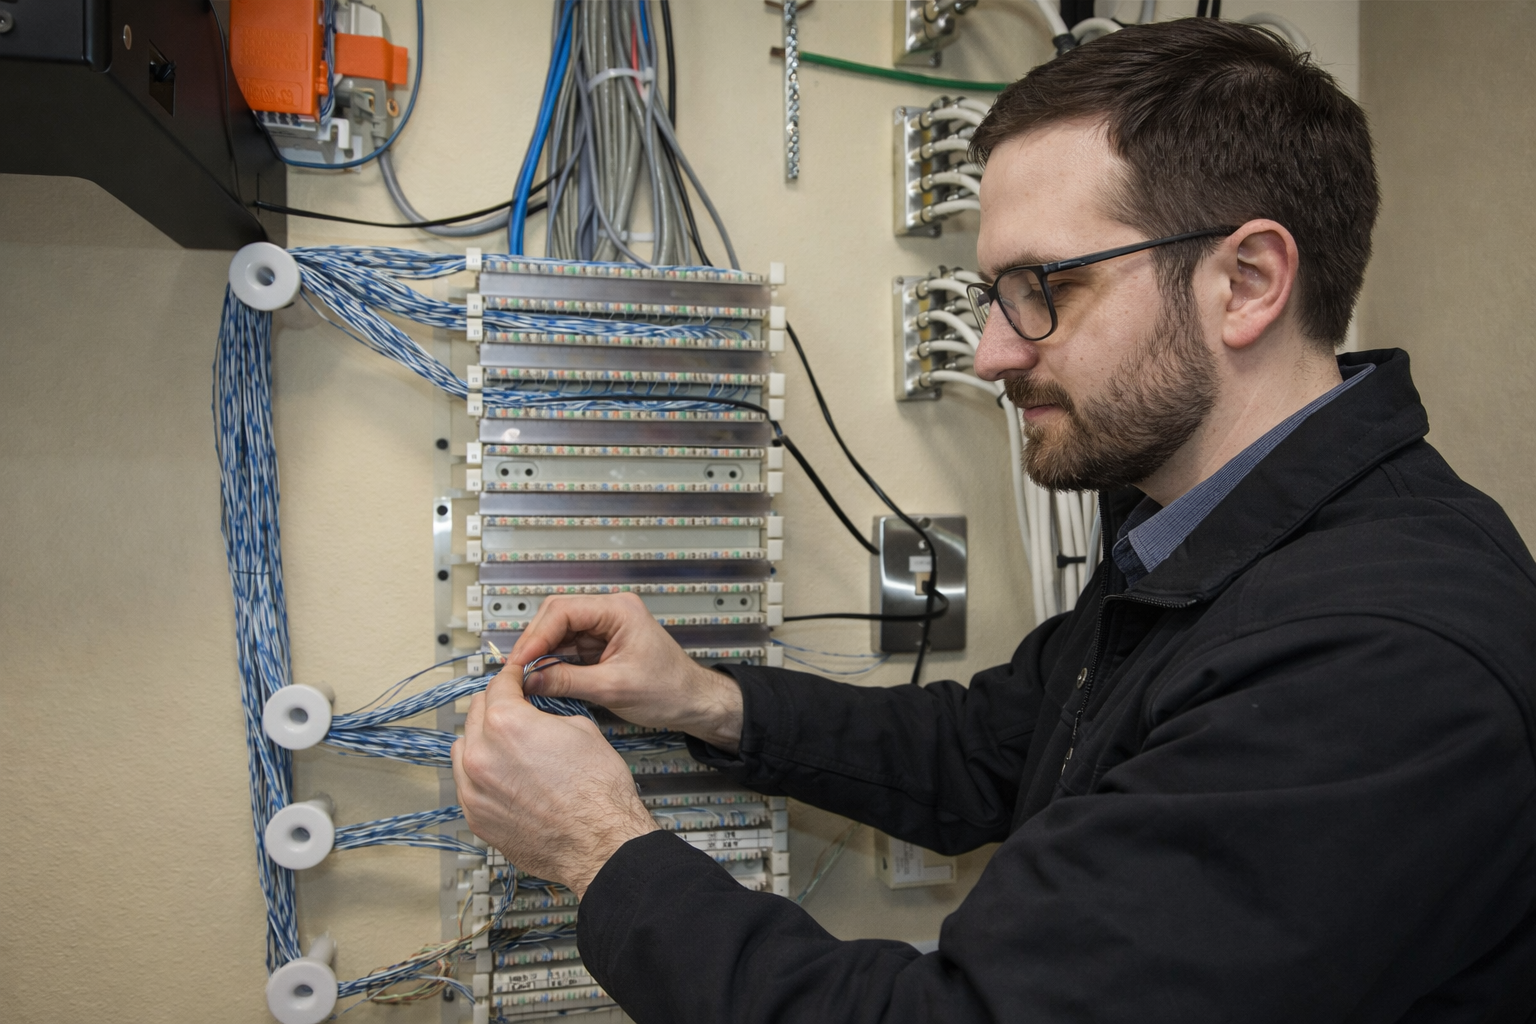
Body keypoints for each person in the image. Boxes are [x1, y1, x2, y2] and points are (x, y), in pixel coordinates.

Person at [451, 19, 1536, 1023]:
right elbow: (989, 749)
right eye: (993, 294)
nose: (991, 352)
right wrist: (703, 698)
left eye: (1041, 287)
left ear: (1246, 282)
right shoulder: (1203, 532)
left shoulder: (1376, 664)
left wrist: (601, 849)